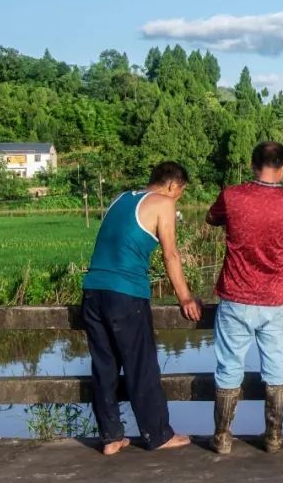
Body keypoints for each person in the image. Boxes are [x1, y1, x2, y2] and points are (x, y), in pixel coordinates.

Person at [206, 141, 283, 454]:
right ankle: (273, 437)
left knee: (229, 367)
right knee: (275, 367)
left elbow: (211, 218)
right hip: (273, 301)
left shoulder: (231, 196)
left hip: (235, 297)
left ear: (252, 164)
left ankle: (222, 438)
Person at [81, 161, 201, 455]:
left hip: (93, 291)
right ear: (173, 185)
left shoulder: (120, 198)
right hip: (126, 294)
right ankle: (157, 435)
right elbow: (171, 255)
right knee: (141, 365)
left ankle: (111, 438)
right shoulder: (163, 203)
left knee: (105, 367)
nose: (179, 198)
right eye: (181, 192)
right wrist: (185, 298)